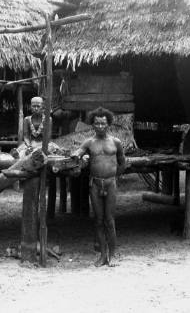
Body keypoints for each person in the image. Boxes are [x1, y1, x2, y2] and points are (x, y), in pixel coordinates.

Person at [71, 107, 126, 267]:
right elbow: (79, 151)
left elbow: (122, 162)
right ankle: (102, 256)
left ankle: (112, 256)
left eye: (103, 123)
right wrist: (76, 154)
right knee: (99, 220)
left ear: (108, 123)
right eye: (97, 124)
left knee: (110, 220)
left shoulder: (116, 142)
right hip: (95, 184)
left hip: (110, 184)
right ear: (92, 125)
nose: (100, 126)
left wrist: (115, 176)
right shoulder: (89, 142)